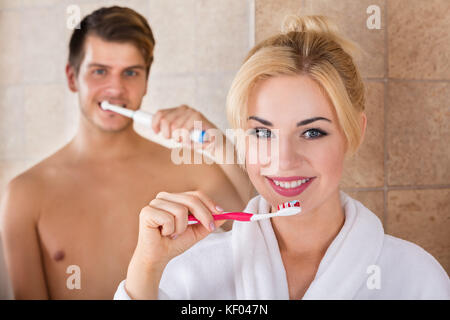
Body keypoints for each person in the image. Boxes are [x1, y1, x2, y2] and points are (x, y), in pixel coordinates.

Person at [115, 15, 450, 300]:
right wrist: (145, 268)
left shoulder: (417, 279)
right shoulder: (188, 275)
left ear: (354, 133)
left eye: (312, 132)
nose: (284, 160)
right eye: (262, 133)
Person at [0, 6, 253, 299]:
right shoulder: (25, 194)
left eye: (130, 72)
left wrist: (217, 143)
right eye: (99, 71)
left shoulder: (190, 173)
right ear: (72, 78)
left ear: (146, 81)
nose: (115, 89)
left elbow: (263, 228)